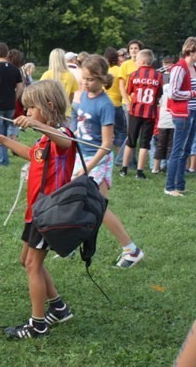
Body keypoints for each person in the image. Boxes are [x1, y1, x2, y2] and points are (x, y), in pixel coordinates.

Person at [0, 79, 75, 339]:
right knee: (27, 260)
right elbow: (31, 154)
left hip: (50, 212)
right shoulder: (45, 142)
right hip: (35, 212)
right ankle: (58, 307)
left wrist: (38, 125)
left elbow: (66, 143)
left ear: (47, 106)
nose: (26, 114)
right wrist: (2, 139)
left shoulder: (61, 136)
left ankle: (38, 324)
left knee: (33, 264)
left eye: (30, 109)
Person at [75, 54, 144, 267]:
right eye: (84, 78)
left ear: (103, 79)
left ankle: (131, 250)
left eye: (90, 79)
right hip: (81, 156)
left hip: (97, 160)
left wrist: (88, 166)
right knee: (75, 202)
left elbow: (106, 145)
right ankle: (70, 244)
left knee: (99, 209)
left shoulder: (105, 105)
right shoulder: (81, 95)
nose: (85, 83)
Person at [119, 49, 164, 180]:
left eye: (137, 60)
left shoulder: (134, 74)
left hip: (135, 110)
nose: (136, 62)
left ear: (143, 61)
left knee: (131, 140)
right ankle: (139, 171)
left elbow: (129, 91)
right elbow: (159, 94)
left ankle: (124, 168)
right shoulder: (158, 76)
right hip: (150, 113)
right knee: (145, 143)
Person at [164, 37, 196, 197]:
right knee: (177, 150)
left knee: (186, 149)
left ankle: (180, 185)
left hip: (192, 112)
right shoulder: (179, 68)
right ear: (191, 51)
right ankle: (170, 187)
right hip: (183, 113)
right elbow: (173, 92)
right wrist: (192, 94)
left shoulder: (193, 68)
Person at [115, 40, 144, 167]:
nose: (133, 50)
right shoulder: (125, 65)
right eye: (131, 48)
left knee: (135, 133)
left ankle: (131, 160)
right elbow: (121, 85)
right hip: (128, 102)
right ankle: (122, 159)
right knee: (131, 132)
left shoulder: (143, 64)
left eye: (136, 48)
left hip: (141, 102)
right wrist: (126, 101)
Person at [103, 48, 127, 161]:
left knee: (106, 131)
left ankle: (105, 153)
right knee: (120, 131)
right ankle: (119, 156)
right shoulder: (120, 70)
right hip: (117, 103)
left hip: (105, 103)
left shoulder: (104, 71)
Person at [40, 48, 79, 120]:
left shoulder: (47, 75)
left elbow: (40, 93)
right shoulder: (70, 75)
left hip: (50, 112)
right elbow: (71, 96)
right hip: (65, 112)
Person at [151, 81, 174, 174]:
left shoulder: (164, 87)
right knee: (171, 146)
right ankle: (169, 168)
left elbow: (158, 102)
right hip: (174, 119)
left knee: (160, 145)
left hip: (163, 119)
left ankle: (155, 168)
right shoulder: (180, 87)